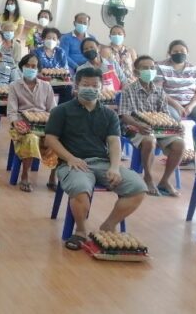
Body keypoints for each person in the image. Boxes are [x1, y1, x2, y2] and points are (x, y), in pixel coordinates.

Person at [45, 67, 146, 251]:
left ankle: (109, 225)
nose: (90, 89)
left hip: (102, 162)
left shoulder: (109, 114)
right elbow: (50, 139)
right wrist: (70, 158)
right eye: (86, 85)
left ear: (101, 88)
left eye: (95, 85)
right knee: (81, 188)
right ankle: (80, 231)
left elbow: (114, 142)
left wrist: (115, 167)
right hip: (72, 164)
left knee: (138, 188)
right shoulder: (61, 111)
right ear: (76, 86)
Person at [119, 55, 187, 196]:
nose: (149, 71)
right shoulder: (128, 90)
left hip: (158, 129)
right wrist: (138, 125)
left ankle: (165, 181)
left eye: (151, 68)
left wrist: (175, 126)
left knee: (179, 144)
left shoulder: (159, 91)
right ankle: (148, 177)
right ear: (136, 72)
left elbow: (164, 114)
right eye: (145, 68)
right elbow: (124, 115)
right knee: (150, 140)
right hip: (135, 128)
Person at [7, 54, 57, 192]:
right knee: (31, 138)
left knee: (61, 139)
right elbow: (12, 112)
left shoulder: (46, 86)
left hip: (43, 124)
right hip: (22, 124)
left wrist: (53, 124)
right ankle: (25, 175)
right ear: (22, 67)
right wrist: (17, 123)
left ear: (38, 69)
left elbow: (53, 110)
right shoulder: (14, 86)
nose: (30, 68)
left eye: (34, 66)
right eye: (27, 65)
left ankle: (53, 177)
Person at [156, 39, 196, 121]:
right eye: (175, 51)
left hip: (190, 103)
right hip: (169, 103)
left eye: (182, 51)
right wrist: (176, 105)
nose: (179, 53)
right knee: (174, 119)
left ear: (187, 52)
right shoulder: (160, 67)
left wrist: (191, 106)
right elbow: (158, 91)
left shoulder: (195, 69)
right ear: (169, 53)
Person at [34, 27, 73, 102]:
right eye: (48, 38)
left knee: (69, 89)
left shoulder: (60, 52)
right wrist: (42, 75)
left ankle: (62, 108)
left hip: (58, 82)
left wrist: (63, 76)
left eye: (54, 38)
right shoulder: (36, 52)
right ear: (43, 39)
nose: (51, 40)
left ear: (57, 41)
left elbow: (65, 69)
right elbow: (34, 70)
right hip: (41, 82)